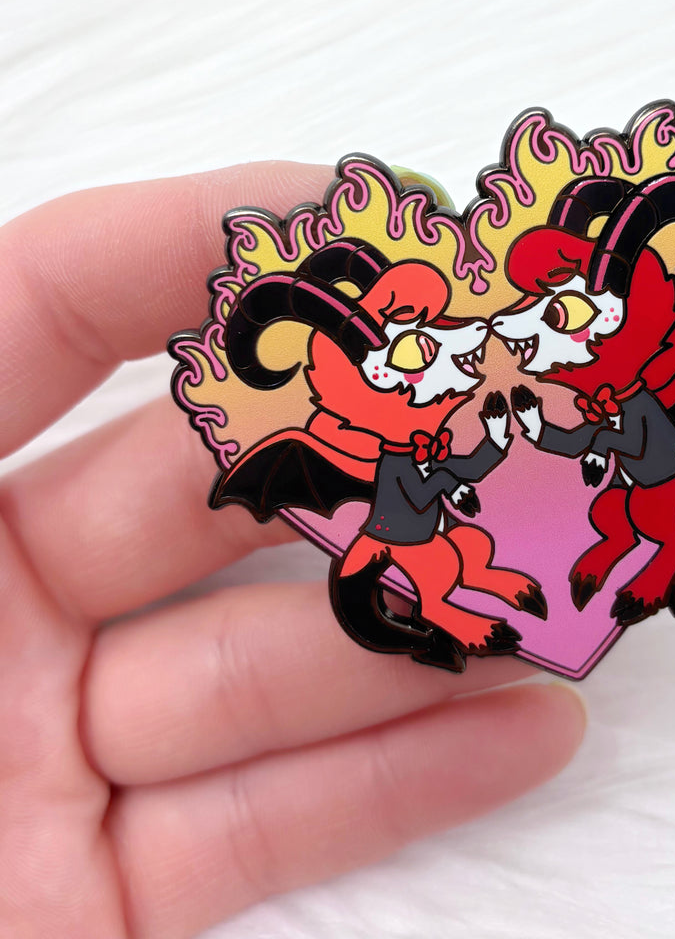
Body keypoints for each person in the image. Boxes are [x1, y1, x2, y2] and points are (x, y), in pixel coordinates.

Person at [0, 162, 586, 939]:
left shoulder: (429, 431)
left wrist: (501, 438)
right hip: (401, 536)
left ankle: (485, 582)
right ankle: (450, 610)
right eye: (416, 356)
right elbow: (421, 465)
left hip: (432, 517)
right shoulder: (382, 444)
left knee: (469, 546)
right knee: (440, 569)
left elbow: (461, 468)